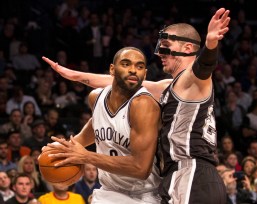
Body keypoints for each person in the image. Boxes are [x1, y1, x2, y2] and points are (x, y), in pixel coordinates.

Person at [42, 8, 231, 203]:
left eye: (166, 46)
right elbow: (116, 81)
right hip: (178, 174)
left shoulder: (192, 79)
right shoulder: (169, 86)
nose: (159, 53)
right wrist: (76, 76)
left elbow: (204, 67)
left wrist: (210, 44)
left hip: (193, 171)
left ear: (187, 49)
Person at [43, 47, 161, 203]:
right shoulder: (96, 97)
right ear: (112, 69)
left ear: (144, 74)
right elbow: (96, 128)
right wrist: (62, 149)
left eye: (139, 67)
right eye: (126, 64)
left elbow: (141, 168)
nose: (133, 70)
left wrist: (86, 156)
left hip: (141, 195)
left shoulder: (143, 104)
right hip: (108, 191)